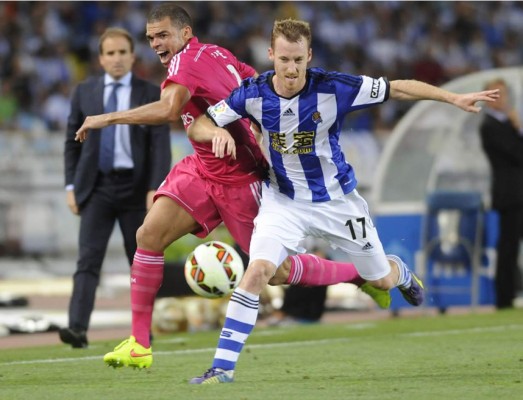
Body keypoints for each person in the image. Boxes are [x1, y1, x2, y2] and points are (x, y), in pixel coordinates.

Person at [73, 4, 390, 368]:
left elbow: (167, 110)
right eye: (151, 38)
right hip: (203, 169)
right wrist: (240, 123)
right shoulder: (218, 53)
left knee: (278, 273)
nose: (156, 43)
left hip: (242, 178)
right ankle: (139, 344)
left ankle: (358, 275)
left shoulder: (185, 63)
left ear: (185, 34)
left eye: (163, 35)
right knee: (148, 235)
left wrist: (106, 118)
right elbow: (253, 77)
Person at [188, 18, 500, 384]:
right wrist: (216, 133)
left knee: (380, 281)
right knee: (259, 271)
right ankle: (221, 369)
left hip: (338, 203)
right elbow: (199, 124)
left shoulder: (334, 87)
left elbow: (397, 89)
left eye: (298, 60)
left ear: (310, 56)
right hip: (284, 201)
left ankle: (395, 270)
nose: (291, 69)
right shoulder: (252, 93)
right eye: (284, 59)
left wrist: (452, 97)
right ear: (271, 55)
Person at [60, 27, 171, 348]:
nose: (117, 59)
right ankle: (77, 329)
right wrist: (70, 185)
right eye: (110, 53)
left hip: (137, 190)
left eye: (123, 52)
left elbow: (160, 143)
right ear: (101, 58)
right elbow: (72, 143)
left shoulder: (150, 92)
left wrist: (156, 186)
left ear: (133, 56)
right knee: (88, 260)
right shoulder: (85, 92)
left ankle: (143, 331)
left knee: (140, 261)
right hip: (96, 188)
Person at [479, 78, 523, 309]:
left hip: (517, 192)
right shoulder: (489, 126)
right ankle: (504, 298)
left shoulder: (504, 122)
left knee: (510, 246)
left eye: (503, 94)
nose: (501, 99)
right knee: (508, 247)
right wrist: (519, 128)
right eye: (495, 94)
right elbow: (517, 154)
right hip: (510, 194)